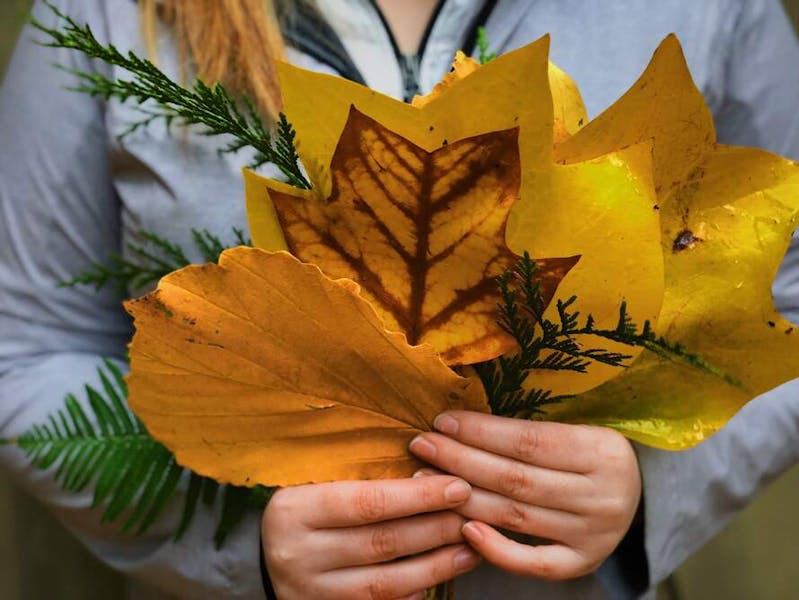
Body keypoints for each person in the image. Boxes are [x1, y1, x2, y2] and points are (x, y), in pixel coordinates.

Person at [0, 0, 797, 598]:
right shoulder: (102, 12)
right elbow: (22, 352)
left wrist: (646, 492)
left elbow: (785, 311)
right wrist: (244, 546)